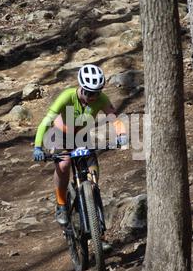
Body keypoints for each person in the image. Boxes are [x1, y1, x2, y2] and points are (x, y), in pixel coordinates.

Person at [33, 64, 128, 230]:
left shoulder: (102, 99)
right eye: (90, 93)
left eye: (97, 92)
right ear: (81, 88)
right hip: (60, 135)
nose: (93, 97)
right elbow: (45, 122)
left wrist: (122, 134)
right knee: (64, 164)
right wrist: (38, 147)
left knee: (93, 179)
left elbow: (115, 119)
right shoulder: (66, 96)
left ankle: (95, 224)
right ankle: (61, 204)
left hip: (81, 135)